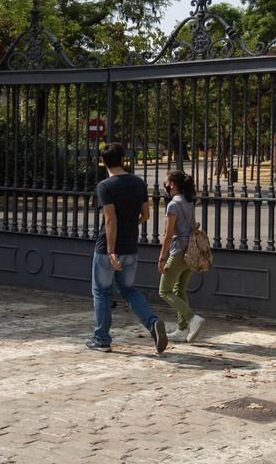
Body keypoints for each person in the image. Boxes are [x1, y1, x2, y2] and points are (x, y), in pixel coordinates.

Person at [87, 142, 168, 354]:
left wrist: (111, 250)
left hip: (108, 246)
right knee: (128, 290)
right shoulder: (138, 183)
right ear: (123, 159)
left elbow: (110, 220)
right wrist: (133, 224)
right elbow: (146, 215)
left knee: (101, 291)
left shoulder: (105, 186)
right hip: (131, 245)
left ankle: (102, 339)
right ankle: (152, 322)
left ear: (103, 162)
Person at [158, 170, 204, 343]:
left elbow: (168, 235)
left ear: (173, 185)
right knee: (180, 289)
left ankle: (192, 318)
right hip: (191, 251)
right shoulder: (188, 201)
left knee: (164, 291)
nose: (165, 187)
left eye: (166, 183)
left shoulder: (173, 205)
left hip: (177, 251)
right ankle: (182, 328)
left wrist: (162, 257)